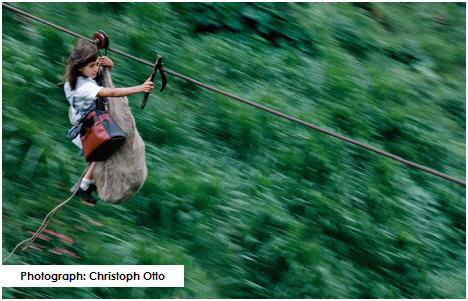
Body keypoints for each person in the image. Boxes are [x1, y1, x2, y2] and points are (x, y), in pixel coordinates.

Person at [64, 42, 154, 204]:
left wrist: (108, 68)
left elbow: (100, 84)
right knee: (105, 148)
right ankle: (85, 185)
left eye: (97, 64)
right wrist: (140, 88)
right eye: (91, 66)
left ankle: (85, 184)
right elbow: (111, 92)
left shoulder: (80, 77)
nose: (95, 69)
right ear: (79, 67)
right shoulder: (83, 88)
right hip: (88, 125)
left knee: (100, 155)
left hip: (90, 115)